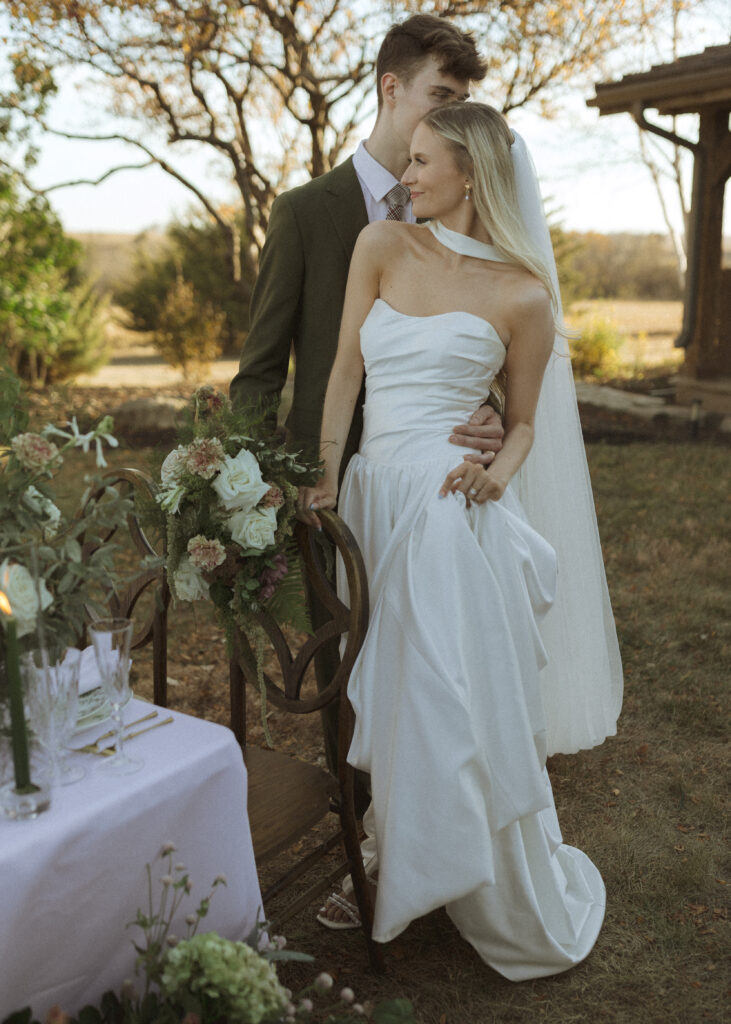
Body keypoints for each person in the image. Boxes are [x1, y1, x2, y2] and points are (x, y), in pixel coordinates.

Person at [298, 102, 623, 980]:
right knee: (391, 681)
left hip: (448, 495)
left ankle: (421, 865)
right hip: (371, 493)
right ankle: (403, 846)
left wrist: (499, 474)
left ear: (469, 173)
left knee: (431, 679)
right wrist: (325, 475)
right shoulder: (381, 248)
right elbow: (343, 371)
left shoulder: (522, 295)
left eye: (419, 162)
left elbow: (520, 426)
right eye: (406, 162)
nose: (404, 177)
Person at [230, 15, 504, 797]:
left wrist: (483, 405)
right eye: (438, 95)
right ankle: (360, 834)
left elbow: (475, 327)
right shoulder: (305, 212)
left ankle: (432, 817)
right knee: (348, 674)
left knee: (433, 660)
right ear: (391, 88)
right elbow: (257, 372)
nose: (451, 116)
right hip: (331, 489)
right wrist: (247, 486)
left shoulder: (455, 204)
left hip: (434, 481)